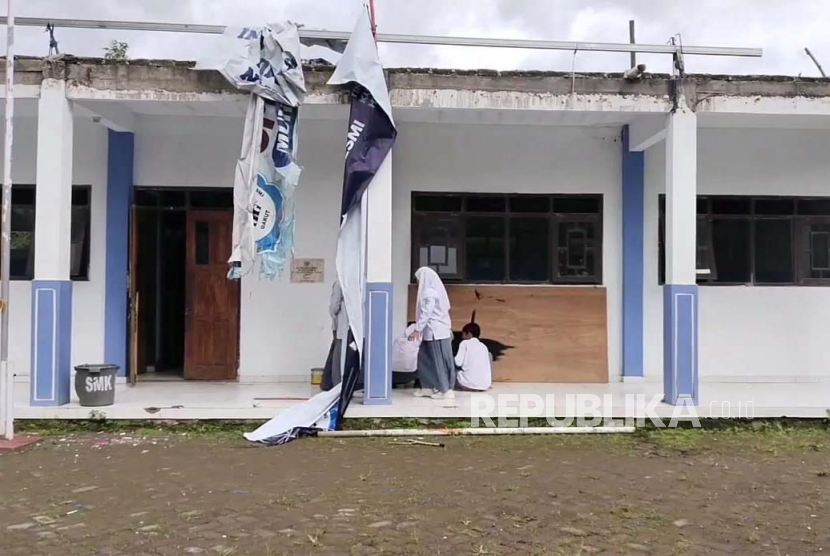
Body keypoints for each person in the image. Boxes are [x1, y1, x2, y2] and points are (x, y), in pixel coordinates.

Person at [410, 267, 455, 399]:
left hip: (436, 332)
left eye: (419, 279)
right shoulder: (436, 291)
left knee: (438, 361)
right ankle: (428, 387)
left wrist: (417, 329)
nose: (418, 282)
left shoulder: (429, 292)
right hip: (433, 332)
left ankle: (445, 390)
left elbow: (427, 312)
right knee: (425, 359)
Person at [321, 278, 347, 391]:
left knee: (337, 355)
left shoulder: (340, 282)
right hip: (356, 327)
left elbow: (334, 307)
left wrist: (333, 314)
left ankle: (336, 386)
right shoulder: (362, 280)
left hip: (341, 325)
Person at [454, 323, 492, 391]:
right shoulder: (484, 346)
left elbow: (458, 362)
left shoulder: (464, 343)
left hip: (467, 384)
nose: (462, 337)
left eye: (463, 334)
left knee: (453, 370)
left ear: (469, 334)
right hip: (485, 385)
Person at [392, 322, 420, 386]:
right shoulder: (418, 339)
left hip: (392, 376)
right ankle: (419, 385)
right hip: (411, 374)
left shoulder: (398, 340)